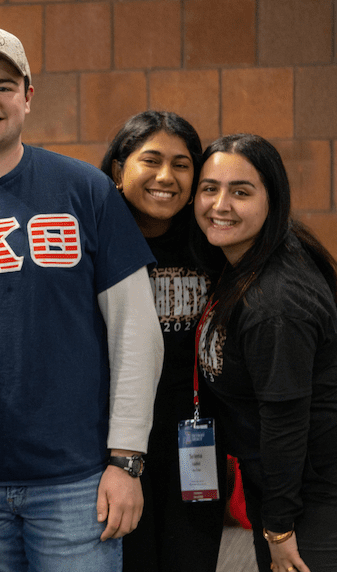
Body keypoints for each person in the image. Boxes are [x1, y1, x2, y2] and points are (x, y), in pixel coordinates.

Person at [0, 26, 163, 572]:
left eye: (3, 85)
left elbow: (136, 331)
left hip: (76, 480)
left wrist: (126, 461)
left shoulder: (84, 190)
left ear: (28, 96)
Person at [193, 134, 337, 572]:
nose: (220, 204)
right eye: (209, 188)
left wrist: (279, 528)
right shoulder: (247, 262)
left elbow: (286, 424)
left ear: (272, 199)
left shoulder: (275, 302)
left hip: (314, 494)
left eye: (241, 191)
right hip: (284, 487)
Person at [101, 111, 225, 572]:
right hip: (111, 442)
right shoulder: (94, 243)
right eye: (150, 160)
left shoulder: (213, 240)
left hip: (196, 438)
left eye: (182, 164)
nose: (165, 177)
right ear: (118, 169)